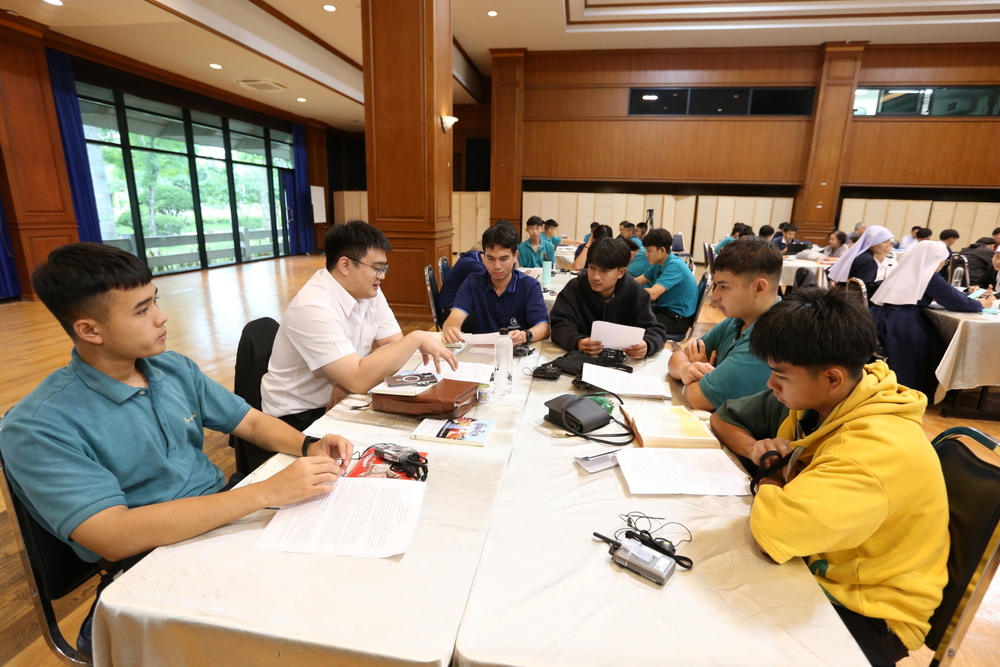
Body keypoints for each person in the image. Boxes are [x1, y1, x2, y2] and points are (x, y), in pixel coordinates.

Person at [0, 243, 354, 656]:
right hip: (150, 562)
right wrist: (266, 492)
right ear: (90, 330)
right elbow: (113, 535)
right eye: (141, 310)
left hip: (223, 523)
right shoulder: (39, 425)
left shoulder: (171, 368)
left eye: (155, 301)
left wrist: (308, 445)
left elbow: (250, 421)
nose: (161, 316)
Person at [709, 287, 949, 667]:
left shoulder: (872, 451)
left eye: (781, 376)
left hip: (870, 609)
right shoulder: (828, 398)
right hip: (820, 559)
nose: (771, 385)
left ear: (832, 377)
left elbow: (774, 535)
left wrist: (772, 473)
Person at [262, 221, 457, 429]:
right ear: (345, 265)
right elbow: (360, 378)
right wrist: (416, 338)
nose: (382, 276)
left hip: (344, 397)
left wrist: (349, 382)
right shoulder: (313, 308)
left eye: (384, 268)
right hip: (298, 416)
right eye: (377, 268)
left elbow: (393, 346)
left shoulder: (369, 291)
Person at [667, 237, 781, 410]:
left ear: (759, 288)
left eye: (724, 287)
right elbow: (677, 357)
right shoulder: (738, 320)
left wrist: (700, 376)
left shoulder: (769, 337)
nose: (715, 296)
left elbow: (698, 399)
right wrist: (687, 369)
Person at [870, 241, 991, 396]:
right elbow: (956, 301)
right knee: (936, 345)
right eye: (944, 261)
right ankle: (911, 391)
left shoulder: (906, 269)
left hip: (884, 316)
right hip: (903, 323)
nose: (943, 265)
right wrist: (980, 304)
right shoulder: (929, 276)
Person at [550, 238, 667, 360]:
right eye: (592, 267)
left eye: (604, 271)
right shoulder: (575, 288)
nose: (595, 277)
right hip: (580, 361)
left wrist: (647, 344)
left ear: (621, 272)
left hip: (624, 364)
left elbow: (655, 330)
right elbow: (559, 326)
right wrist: (577, 341)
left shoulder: (635, 292)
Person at [442, 222, 551, 346]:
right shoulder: (473, 282)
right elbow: (454, 318)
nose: (497, 266)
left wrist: (525, 336)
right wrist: (451, 328)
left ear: (515, 256)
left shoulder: (529, 286)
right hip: (482, 350)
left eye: (504, 259)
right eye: (490, 259)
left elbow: (544, 327)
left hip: (518, 350)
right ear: (483, 257)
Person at [634, 228, 699, 336]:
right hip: (665, 311)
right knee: (631, 311)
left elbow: (653, 294)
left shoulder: (674, 266)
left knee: (633, 323)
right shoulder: (659, 264)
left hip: (676, 320)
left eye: (649, 251)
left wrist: (629, 291)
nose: (646, 254)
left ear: (662, 250)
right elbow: (636, 281)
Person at [827, 224, 894, 298]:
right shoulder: (868, 260)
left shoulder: (858, 255)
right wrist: (886, 282)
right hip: (854, 300)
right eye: (885, 242)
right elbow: (864, 289)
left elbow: (829, 270)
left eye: (889, 243)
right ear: (873, 243)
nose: (888, 246)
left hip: (843, 296)